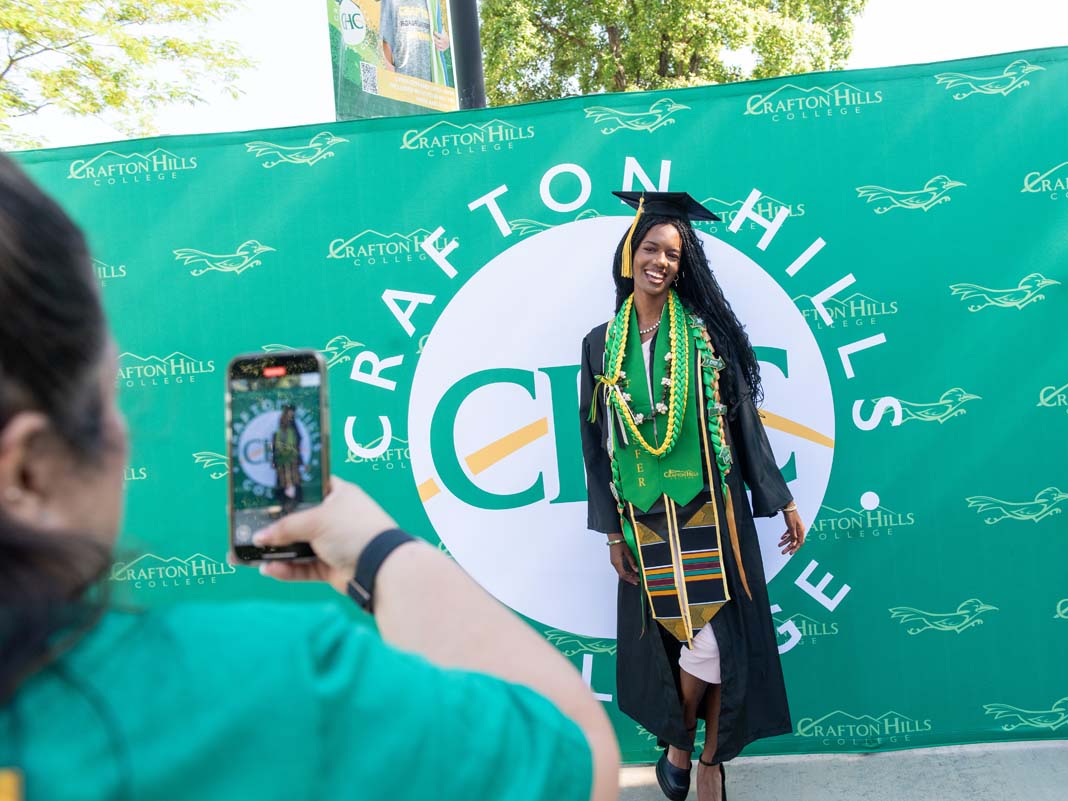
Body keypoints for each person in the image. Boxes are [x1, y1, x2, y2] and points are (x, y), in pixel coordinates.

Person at [0, 154, 618, 801]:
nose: (123, 433)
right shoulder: (269, 687)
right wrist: (380, 553)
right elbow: (576, 759)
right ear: (27, 470)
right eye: (109, 398)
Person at [579, 191, 806, 801]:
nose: (661, 261)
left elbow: (743, 422)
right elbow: (594, 444)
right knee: (672, 640)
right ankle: (689, 748)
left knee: (715, 641)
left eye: (673, 254)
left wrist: (779, 497)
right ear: (630, 254)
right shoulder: (601, 344)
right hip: (643, 517)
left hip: (712, 513)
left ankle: (698, 755)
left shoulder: (703, 335)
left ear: (685, 265)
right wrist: (609, 531)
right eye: (651, 248)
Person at [378, 0, 453, 86]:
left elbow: (437, 26)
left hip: (431, 82)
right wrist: (391, 77)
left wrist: (446, 40)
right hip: (403, 79)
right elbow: (386, 41)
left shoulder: (434, 2)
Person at [272, 404, 304, 514]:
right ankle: (287, 506)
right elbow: (277, 446)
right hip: (284, 461)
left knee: (292, 482)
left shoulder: (292, 427)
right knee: (285, 483)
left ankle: (290, 506)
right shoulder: (280, 430)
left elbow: (298, 441)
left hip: (291, 460)